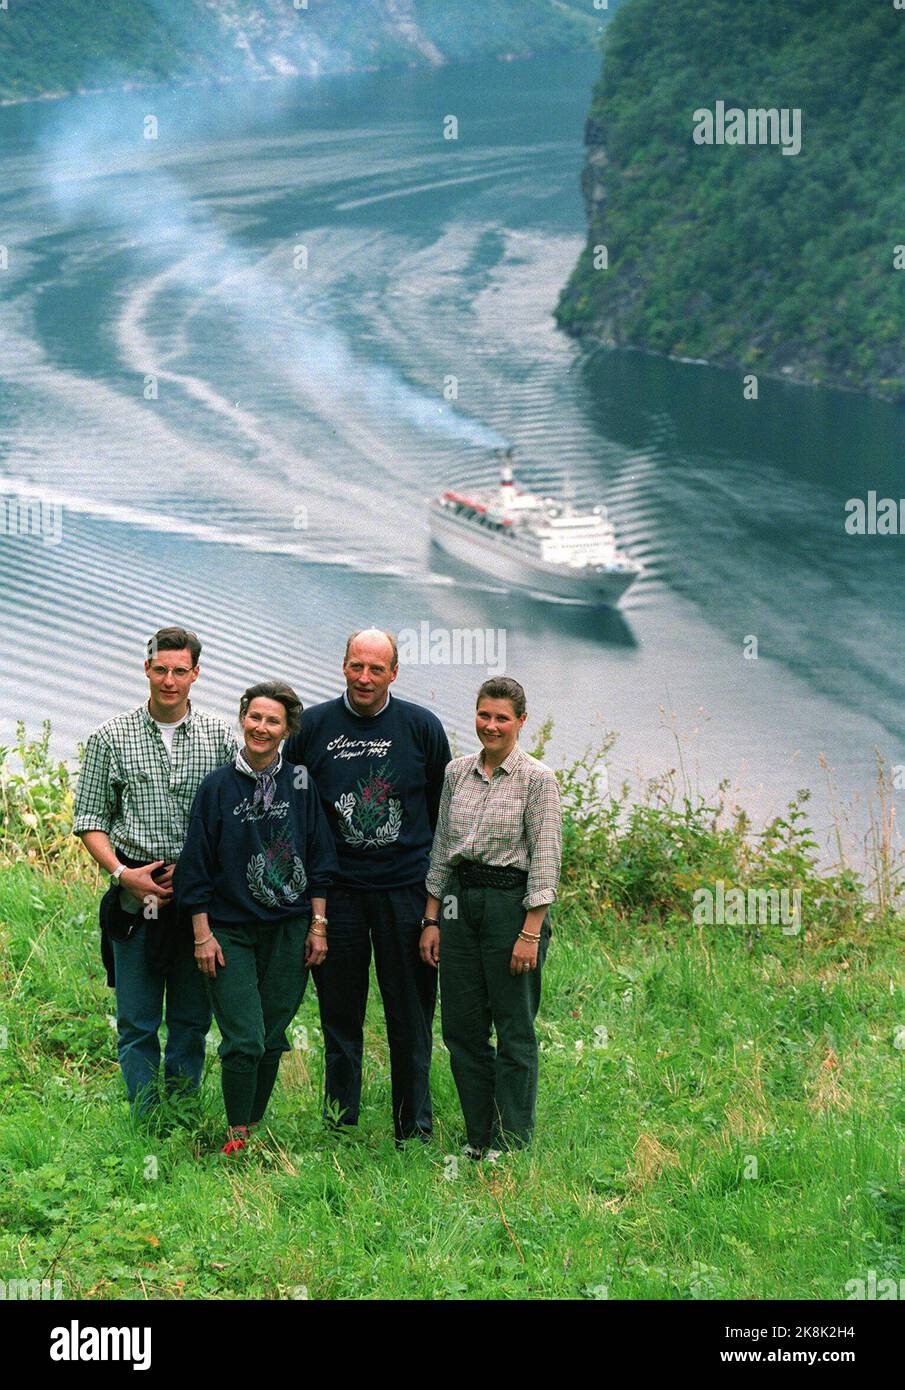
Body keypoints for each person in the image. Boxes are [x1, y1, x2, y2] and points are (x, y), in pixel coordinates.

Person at [282, 629, 451, 1144]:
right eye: (357, 666)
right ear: (343, 666)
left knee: (411, 1016)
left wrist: (434, 911)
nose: (364, 677)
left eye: (377, 669)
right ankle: (340, 1123)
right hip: (337, 894)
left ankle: (414, 1127)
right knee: (339, 1015)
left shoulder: (422, 727)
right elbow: (291, 807)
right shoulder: (311, 727)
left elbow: (445, 816)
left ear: (394, 673)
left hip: (405, 890)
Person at [73, 626, 237, 1115]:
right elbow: (90, 820)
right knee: (138, 1020)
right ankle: (146, 1117)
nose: (169, 680)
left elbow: (236, 815)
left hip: (196, 901)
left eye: (180, 671)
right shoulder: (109, 737)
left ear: (196, 674)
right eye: (160, 669)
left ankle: (181, 1113)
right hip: (135, 896)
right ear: (146, 668)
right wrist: (124, 873)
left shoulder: (220, 738)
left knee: (190, 1018)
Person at [175, 681, 337, 1153]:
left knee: (270, 1037)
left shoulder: (302, 782)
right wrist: (202, 935)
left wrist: (318, 925)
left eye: (273, 721)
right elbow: (196, 869)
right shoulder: (217, 786)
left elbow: (320, 858)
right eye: (254, 717)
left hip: (290, 930)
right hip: (230, 931)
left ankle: (252, 1127)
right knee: (243, 1038)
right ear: (242, 718)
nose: (261, 728)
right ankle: (236, 1134)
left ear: (287, 730)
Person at [421, 676, 561, 1157]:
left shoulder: (537, 779)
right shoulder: (457, 773)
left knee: (514, 1028)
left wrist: (530, 932)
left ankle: (510, 1141)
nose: (492, 725)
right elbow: (442, 848)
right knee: (462, 1028)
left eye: (502, 717)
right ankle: (478, 1137)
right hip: (460, 904)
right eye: (484, 715)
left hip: (511, 907)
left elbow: (545, 859)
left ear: (522, 721)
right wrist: (432, 918)